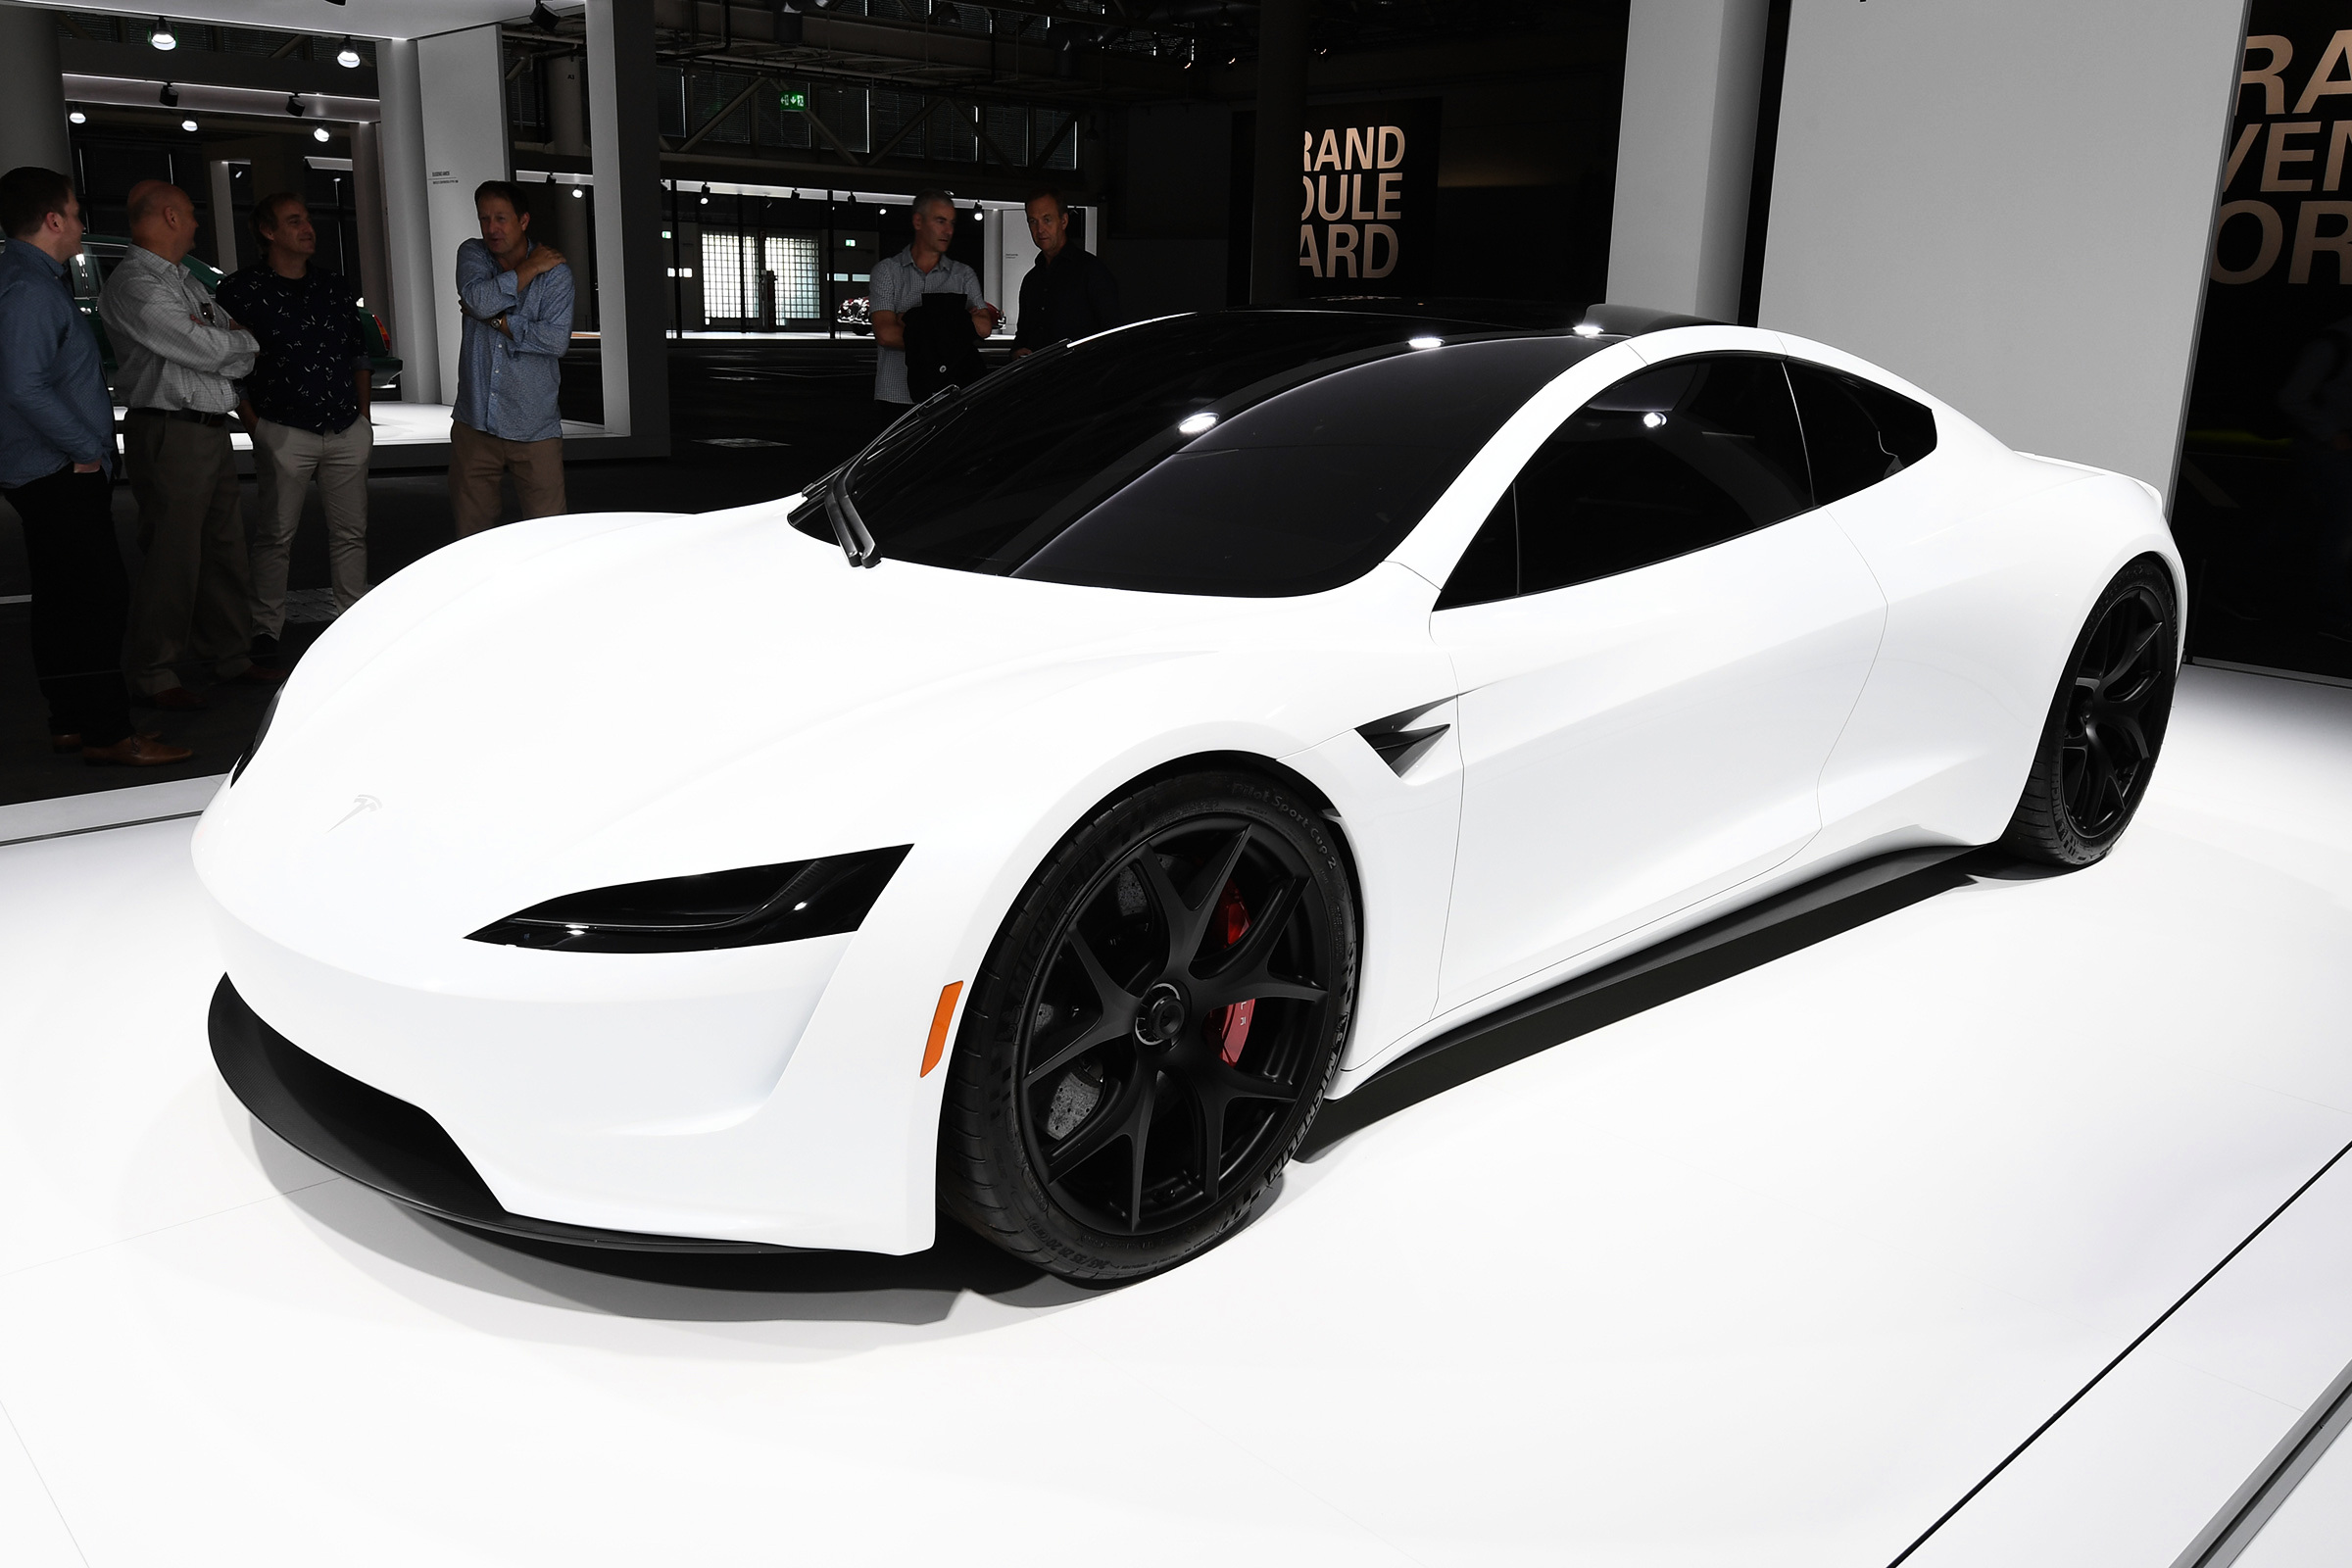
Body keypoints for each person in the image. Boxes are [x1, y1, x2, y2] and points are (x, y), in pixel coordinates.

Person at [0, 167, 190, 765]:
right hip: (57, 471)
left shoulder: (28, 280)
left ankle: (72, 721)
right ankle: (109, 733)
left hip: (45, 469)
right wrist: (85, 448)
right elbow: (23, 386)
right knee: (97, 600)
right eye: (77, 213)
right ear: (53, 220)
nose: (83, 223)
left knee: (63, 600)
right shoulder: (30, 289)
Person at [99, 178, 273, 711]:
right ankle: (154, 672)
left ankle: (228, 655)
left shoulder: (183, 280)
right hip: (170, 429)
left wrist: (229, 342)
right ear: (171, 217)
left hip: (204, 427)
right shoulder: (136, 283)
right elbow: (210, 346)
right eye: (191, 213)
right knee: (174, 555)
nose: (197, 222)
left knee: (223, 549)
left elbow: (222, 339)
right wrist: (238, 343)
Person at [217, 192, 373, 664]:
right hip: (282, 428)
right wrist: (255, 426)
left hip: (344, 426)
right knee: (275, 535)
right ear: (268, 233)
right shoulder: (241, 290)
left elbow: (358, 352)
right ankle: (266, 630)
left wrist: (363, 417)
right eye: (293, 221)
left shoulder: (334, 285)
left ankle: (353, 623)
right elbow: (229, 363)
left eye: (307, 219)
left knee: (351, 533)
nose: (308, 228)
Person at [449, 180, 573, 537]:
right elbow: (477, 300)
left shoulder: (556, 275)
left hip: (534, 426)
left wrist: (495, 320)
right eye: (484, 218)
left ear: (523, 221)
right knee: (470, 537)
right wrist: (529, 269)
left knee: (548, 536)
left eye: (501, 218)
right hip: (476, 422)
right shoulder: (473, 253)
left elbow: (555, 341)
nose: (491, 228)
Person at [869, 190, 998, 420]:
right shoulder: (887, 271)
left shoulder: (963, 274)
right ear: (918, 221)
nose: (948, 230)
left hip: (950, 396)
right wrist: (956, 323)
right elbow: (886, 334)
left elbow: (984, 327)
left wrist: (913, 320)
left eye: (952, 223)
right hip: (897, 397)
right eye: (940, 221)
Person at [1013, 189, 1119, 356]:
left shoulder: (1091, 270)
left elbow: (1114, 334)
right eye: (1033, 221)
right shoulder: (1031, 280)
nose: (1039, 229)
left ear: (1063, 221)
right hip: (1042, 372)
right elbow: (1022, 336)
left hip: (1079, 371)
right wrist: (1016, 353)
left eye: (1047, 219)